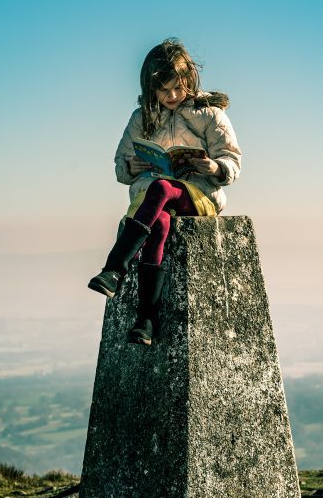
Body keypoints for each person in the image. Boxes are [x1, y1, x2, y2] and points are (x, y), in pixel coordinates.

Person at [88, 39, 242, 345]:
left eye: (177, 88)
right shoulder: (141, 118)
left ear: (189, 81)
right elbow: (120, 166)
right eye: (163, 90)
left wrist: (212, 166)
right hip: (155, 200)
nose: (171, 96)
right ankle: (145, 321)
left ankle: (114, 268)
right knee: (158, 223)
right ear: (151, 89)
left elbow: (232, 162)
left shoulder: (209, 114)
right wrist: (131, 166)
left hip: (198, 196)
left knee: (161, 187)